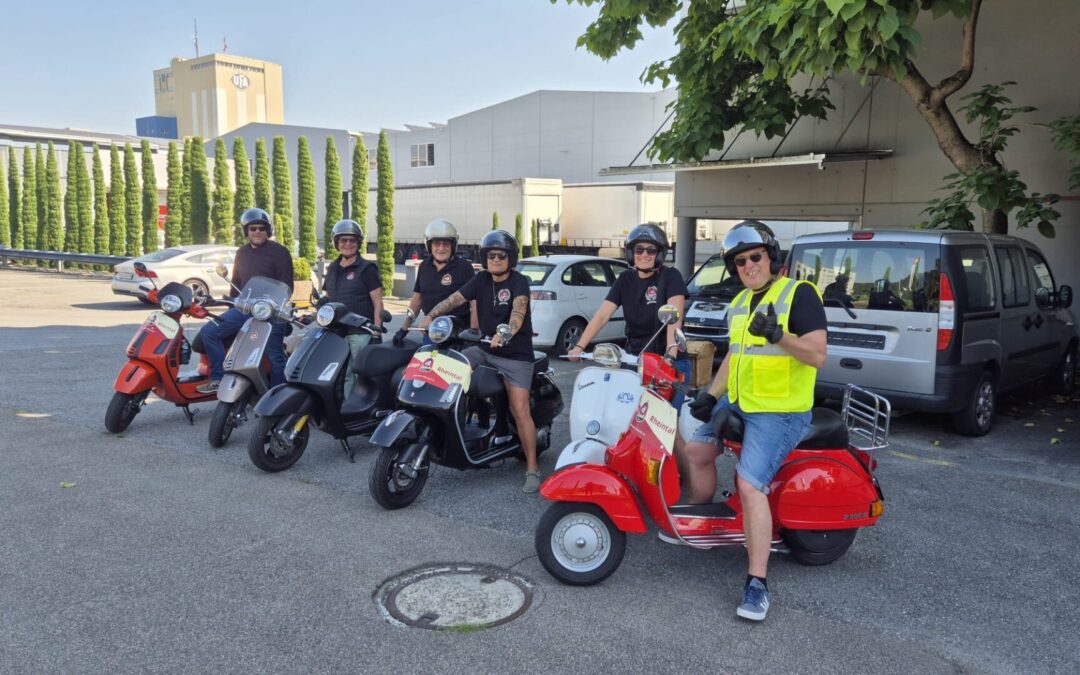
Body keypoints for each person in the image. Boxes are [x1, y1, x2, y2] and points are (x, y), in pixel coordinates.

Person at [680, 220, 827, 623]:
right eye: (740, 261)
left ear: (771, 257)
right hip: (743, 402)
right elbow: (735, 355)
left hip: (781, 411)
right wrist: (712, 394)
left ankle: (757, 583)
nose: (748, 265)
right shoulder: (741, 303)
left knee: (749, 484)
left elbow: (817, 355)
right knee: (696, 449)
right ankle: (701, 522)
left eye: (755, 256)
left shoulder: (799, 294)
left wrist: (780, 335)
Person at [417, 230, 541, 493]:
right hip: (484, 349)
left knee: (520, 409)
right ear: (484, 258)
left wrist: (505, 331)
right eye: (491, 255)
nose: (496, 259)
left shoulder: (520, 281)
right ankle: (452, 432)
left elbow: (518, 311)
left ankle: (532, 468)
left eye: (501, 255)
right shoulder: (481, 279)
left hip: (515, 354)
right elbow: (454, 300)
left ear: (510, 258)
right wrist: (430, 316)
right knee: (447, 371)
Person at [197, 208, 293, 394]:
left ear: (268, 230)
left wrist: (273, 304)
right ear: (246, 231)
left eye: (261, 228)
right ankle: (218, 378)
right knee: (209, 332)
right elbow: (236, 282)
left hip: (270, 311)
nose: (257, 232)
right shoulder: (242, 252)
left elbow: (286, 285)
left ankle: (276, 395)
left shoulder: (280, 252)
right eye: (252, 228)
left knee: (275, 355)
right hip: (245, 308)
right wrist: (231, 301)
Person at [320, 219, 384, 395]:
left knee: (362, 374)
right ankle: (348, 409)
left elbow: (378, 301)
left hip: (361, 332)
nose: (347, 244)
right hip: (337, 332)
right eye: (343, 240)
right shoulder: (332, 268)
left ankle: (364, 409)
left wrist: (377, 332)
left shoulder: (366, 268)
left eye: (352, 240)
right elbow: (328, 298)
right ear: (336, 243)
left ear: (358, 243)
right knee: (344, 374)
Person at [393, 219, 476, 346]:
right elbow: (417, 299)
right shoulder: (424, 267)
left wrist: (474, 332)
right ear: (429, 245)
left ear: (453, 245)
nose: (441, 248)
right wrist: (403, 329)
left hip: (457, 334)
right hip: (431, 332)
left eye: (446, 244)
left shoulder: (464, 268)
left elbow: (474, 304)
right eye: (437, 243)